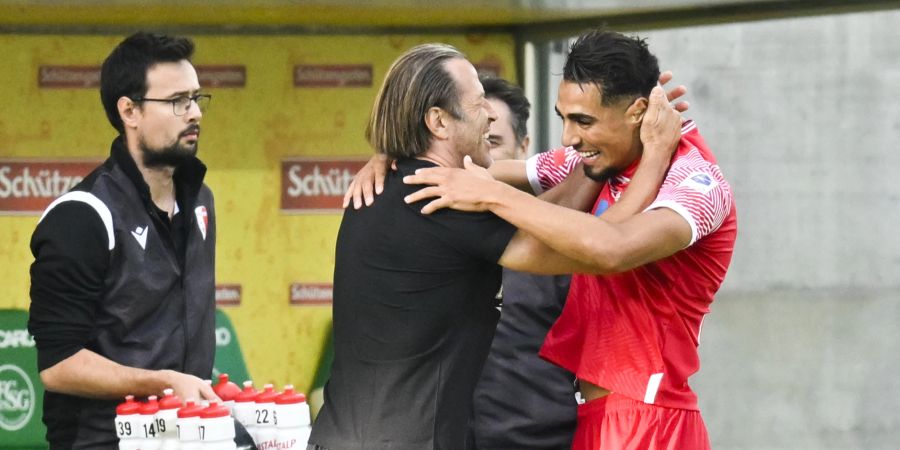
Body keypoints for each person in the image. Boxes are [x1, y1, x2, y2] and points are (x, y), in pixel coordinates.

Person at [314, 41, 683, 450]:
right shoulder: (439, 200)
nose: (490, 113)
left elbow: (546, 218)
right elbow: (596, 248)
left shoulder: (399, 183)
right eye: (476, 104)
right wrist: (652, 155)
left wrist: (601, 153)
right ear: (438, 121)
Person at [402, 29, 737, 450]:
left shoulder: (696, 182)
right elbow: (462, 167)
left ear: (637, 112)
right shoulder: (597, 158)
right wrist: (391, 159)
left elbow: (613, 249)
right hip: (593, 416)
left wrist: (493, 194)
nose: (568, 138)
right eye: (563, 118)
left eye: (583, 121)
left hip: (650, 419)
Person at [28, 32, 221, 448]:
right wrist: (163, 383)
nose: (194, 114)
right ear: (129, 111)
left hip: (189, 436)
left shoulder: (200, 200)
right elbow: (59, 364)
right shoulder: (82, 215)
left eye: (196, 99)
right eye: (177, 102)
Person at [467, 76, 577, 450]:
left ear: (524, 148)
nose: (482, 156)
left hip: (545, 440)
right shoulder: (433, 232)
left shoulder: (564, 234)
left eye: (494, 142)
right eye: (475, 140)